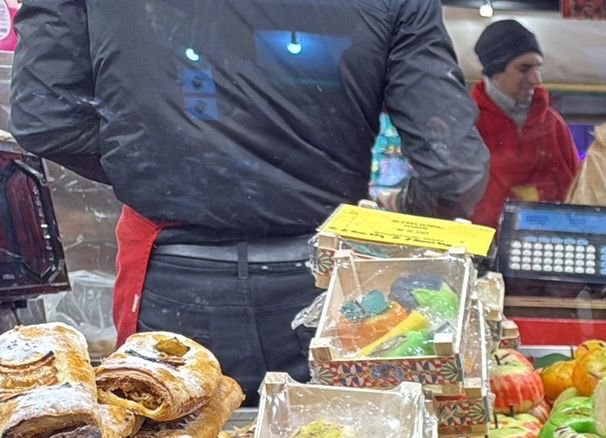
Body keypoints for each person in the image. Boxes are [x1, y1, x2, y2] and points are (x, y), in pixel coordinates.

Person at [11, 0, 489, 398]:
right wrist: (394, 214)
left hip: (175, 275)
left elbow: (47, 120)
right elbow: (453, 173)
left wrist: (162, 165)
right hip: (331, 285)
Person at [469, 20, 581, 228]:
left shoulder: (553, 123)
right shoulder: (467, 122)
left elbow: (577, 190)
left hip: (549, 247)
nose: (536, 79)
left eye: (538, 67)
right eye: (524, 68)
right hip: (482, 249)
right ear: (495, 69)